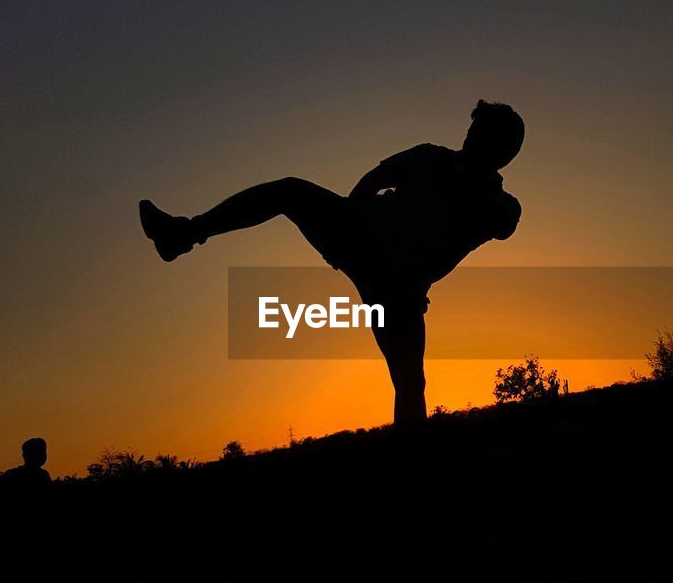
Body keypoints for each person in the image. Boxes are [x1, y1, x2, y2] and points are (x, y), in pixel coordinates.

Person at [139, 100, 525, 425]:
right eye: (475, 130)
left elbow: (500, 223)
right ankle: (183, 234)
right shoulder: (427, 155)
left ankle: (410, 476)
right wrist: (349, 211)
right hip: (360, 233)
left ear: (503, 152)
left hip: (399, 287)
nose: (473, 138)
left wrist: (466, 181)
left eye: (486, 136)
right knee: (289, 190)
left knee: (410, 382)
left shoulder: (501, 205)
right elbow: (377, 175)